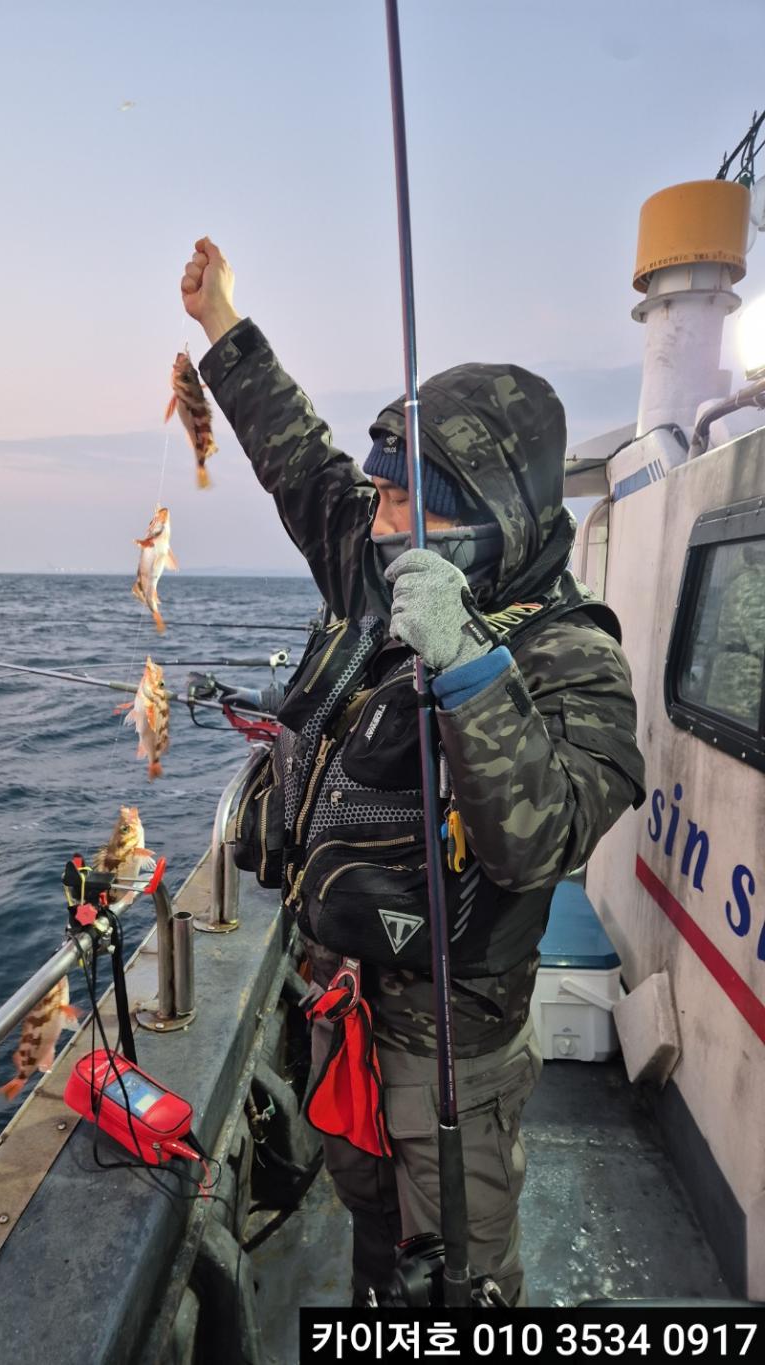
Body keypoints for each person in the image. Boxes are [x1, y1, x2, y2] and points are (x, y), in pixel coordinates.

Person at [179, 237, 645, 1306]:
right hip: (338, 992)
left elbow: (544, 838)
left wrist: (473, 670)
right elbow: (299, 458)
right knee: (370, 1231)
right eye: (381, 497)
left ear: (491, 523)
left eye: (407, 506)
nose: (379, 524)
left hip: (453, 1050)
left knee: (456, 1283)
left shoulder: (575, 657)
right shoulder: (373, 559)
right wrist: (221, 326)